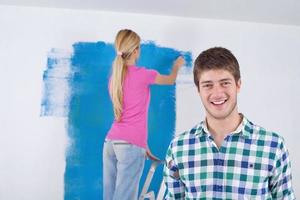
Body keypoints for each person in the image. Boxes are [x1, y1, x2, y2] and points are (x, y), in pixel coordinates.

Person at [163, 47, 295, 199]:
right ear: (198, 89)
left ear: (238, 85)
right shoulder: (178, 148)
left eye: (225, 83)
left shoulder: (273, 146)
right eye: (208, 85)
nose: (217, 93)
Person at [103, 29, 185, 200]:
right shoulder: (143, 74)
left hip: (110, 143)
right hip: (130, 146)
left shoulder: (114, 79)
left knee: (110, 195)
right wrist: (176, 67)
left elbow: (127, 115)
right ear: (135, 51)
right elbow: (170, 80)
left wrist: (143, 144)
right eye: (139, 47)